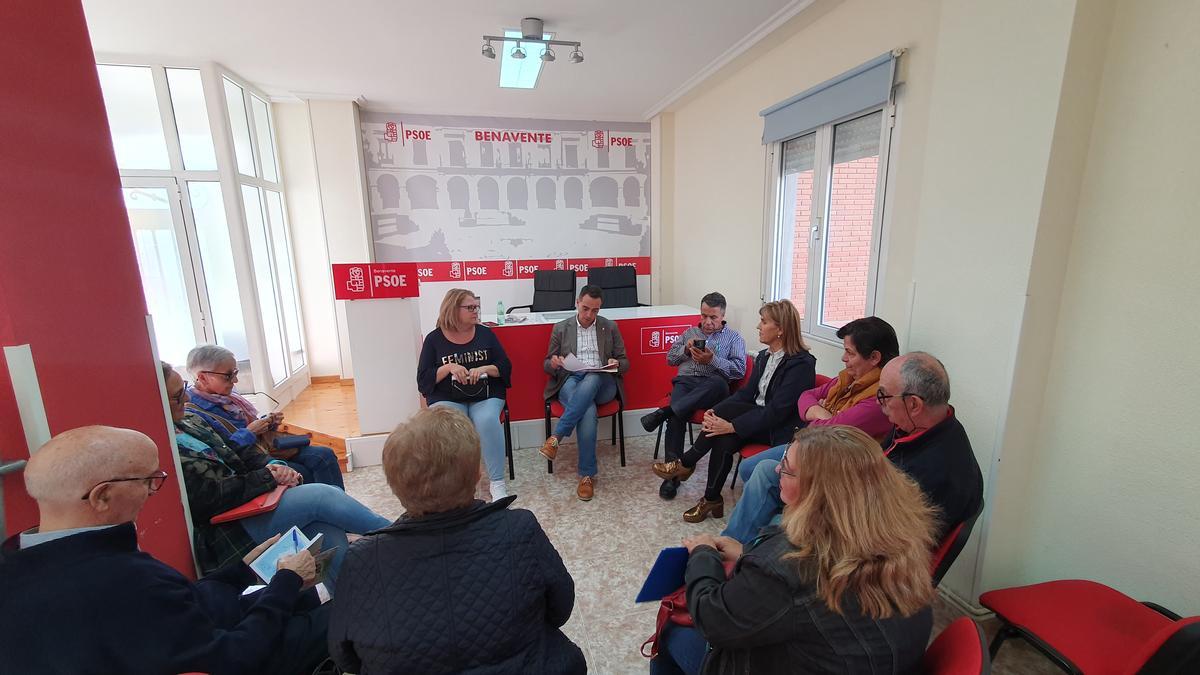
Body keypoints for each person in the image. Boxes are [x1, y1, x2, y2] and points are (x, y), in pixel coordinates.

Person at [0, 426, 330, 675]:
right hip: (230, 658)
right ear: (102, 496)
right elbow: (235, 656)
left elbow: (173, 605)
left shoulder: (16, 558)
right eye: (148, 481)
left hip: (182, 639)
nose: (152, 491)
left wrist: (241, 571)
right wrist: (285, 581)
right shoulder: (125, 579)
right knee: (338, 610)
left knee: (310, 595)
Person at [650, 426, 936, 675]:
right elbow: (811, 591)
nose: (776, 469)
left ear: (818, 490)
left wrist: (702, 554)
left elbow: (713, 619)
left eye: (786, 467)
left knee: (671, 631)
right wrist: (748, 553)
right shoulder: (902, 536)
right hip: (876, 661)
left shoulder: (786, 563)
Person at [330, 407, 586, 674]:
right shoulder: (519, 529)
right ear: (477, 474)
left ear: (394, 484)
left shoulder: (361, 560)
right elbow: (560, 609)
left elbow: (346, 657)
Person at [722, 351, 985, 546]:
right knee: (769, 470)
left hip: (861, 538)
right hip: (861, 502)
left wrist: (816, 503)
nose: (879, 404)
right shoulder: (915, 424)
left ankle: (750, 560)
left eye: (883, 396)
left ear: (914, 404)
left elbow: (877, 532)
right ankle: (728, 550)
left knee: (774, 529)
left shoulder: (938, 468)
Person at [165, 362, 390, 589]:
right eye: (177, 396)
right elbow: (208, 498)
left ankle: (352, 602)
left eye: (183, 390)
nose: (186, 399)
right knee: (323, 497)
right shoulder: (165, 447)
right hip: (228, 526)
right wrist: (268, 476)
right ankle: (403, 535)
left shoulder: (191, 421)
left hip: (252, 501)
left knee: (324, 531)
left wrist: (276, 466)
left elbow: (238, 453)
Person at [722, 316, 899, 542]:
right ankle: (776, 518)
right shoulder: (849, 379)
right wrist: (820, 412)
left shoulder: (878, 398)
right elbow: (806, 396)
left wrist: (819, 416)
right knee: (748, 468)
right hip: (810, 443)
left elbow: (828, 430)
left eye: (850, 353)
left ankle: (732, 543)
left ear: (875, 357)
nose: (844, 359)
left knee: (765, 471)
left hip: (832, 465)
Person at [652, 299, 815, 523]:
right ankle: (710, 498)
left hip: (777, 427)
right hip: (753, 414)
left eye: (763, 321)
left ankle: (687, 463)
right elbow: (745, 394)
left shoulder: (801, 363)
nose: (758, 326)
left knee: (725, 431)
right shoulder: (765, 356)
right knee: (721, 436)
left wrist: (733, 425)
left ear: (781, 329)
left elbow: (777, 411)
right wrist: (714, 411)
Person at [186, 344, 344, 489]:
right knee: (303, 472)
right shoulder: (195, 412)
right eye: (228, 375)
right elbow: (224, 453)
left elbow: (248, 426)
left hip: (264, 450)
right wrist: (250, 432)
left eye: (235, 372)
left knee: (324, 455)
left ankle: (339, 509)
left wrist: (268, 423)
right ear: (203, 377)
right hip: (248, 462)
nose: (235, 380)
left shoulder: (229, 396)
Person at [640, 292, 747, 500]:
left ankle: (664, 411)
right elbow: (670, 359)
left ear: (722, 315)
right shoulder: (689, 333)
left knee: (715, 383)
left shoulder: (734, 338)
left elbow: (739, 370)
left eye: (713, 317)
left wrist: (712, 360)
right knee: (678, 415)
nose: (707, 322)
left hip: (714, 387)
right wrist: (686, 350)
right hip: (686, 382)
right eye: (704, 316)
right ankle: (672, 476)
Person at [417, 288, 513, 500]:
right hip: (447, 396)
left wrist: (485, 368)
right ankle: (455, 484)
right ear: (453, 309)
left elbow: (505, 367)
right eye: (470, 307)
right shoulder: (434, 340)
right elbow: (423, 379)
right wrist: (449, 367)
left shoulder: (485, 333)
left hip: (485, 393)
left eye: (476, 307)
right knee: (450, 424)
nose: (475, 311)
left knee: (487, 420)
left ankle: (496, 483)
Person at [540, 284, 630, 501]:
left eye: (595, 310)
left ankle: (556, 437)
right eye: (586, 309)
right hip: (570, 380)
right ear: (577, 303)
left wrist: (615, 363)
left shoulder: (610, 327)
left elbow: (625, 363)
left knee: (592, 378)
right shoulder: (561, 328)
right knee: (587, 409)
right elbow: (546, 364)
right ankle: (587, 476)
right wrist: (554, 363)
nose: (590, 315)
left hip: (602, 382)